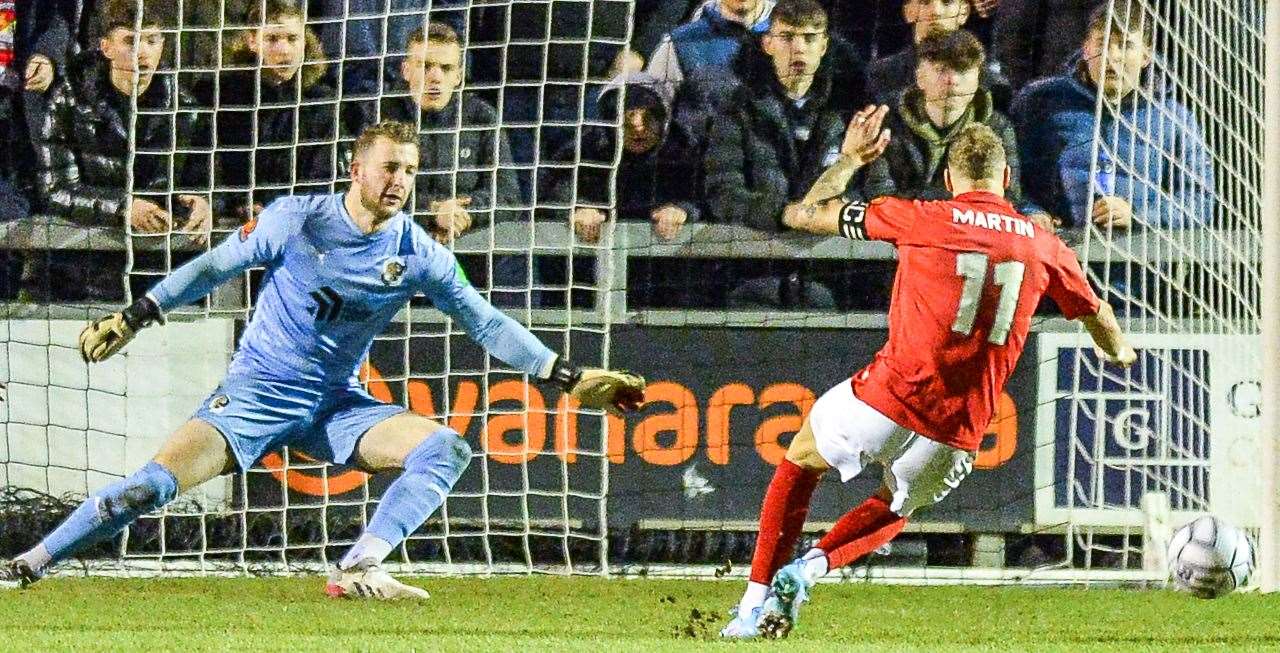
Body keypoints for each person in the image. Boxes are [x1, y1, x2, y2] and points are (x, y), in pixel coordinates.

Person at [0, 120, 645, 597]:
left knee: (445, 448)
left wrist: (564, 376)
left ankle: (360, 563)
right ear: (354, 168)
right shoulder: (298, 220)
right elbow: (216, 264)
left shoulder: (418, 252)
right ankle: (28, 564)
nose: (399, 182)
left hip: (337, 404)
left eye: (411, 171)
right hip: (254, 397)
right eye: (388, 167)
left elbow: (486, 322)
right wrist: (139, 313)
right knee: (149, 487)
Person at [719, 120, 1136, 639]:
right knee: (897, 505)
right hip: (958, 430)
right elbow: (1097, 312)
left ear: (947, 177)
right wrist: (1121, 353)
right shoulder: (1045, 244)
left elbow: (809, 212)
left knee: (801, 461)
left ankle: (752, 604)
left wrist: (849, 160)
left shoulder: (919, 217)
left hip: (887, 398)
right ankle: (810, 569)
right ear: (1006, 178)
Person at [1012, 2, 1212, 234]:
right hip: (1058, 255)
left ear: (1146, 55)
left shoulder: (1176, 119)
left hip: (1138, 262)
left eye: (1125, 45)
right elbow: (1010, 177)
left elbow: (1199, 200)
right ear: (1086, 49)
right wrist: (1030, 211)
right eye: (1102, 43)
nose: (1111, 56)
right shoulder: (1040, 102)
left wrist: (1138, 216)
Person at [862, 29, 1050, 228]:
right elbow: (879, 194)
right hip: (895, 237)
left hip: (969, 236)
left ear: (978, 77)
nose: (953, 80)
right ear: (919, 76)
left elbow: (1007, 195)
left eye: (962, 70)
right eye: (941, 70)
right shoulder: (887, 123)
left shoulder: (998, 128)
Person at [382, 23, 520, 241]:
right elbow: (364, 188)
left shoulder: (481, 117)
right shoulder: (380, 115)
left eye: (446, 68)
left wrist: (461, 215)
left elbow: (509, 197)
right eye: (425, 66)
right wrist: (432, 211)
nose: (435, 77)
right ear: (405, 70)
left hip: (469, 244)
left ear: (458, 76)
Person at [205, 0, 337, 222]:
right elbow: (208, 166)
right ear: (252, 41)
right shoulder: (221, 95)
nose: (284, 50)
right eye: (273, 39)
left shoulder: (321, 102)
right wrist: (236, 203)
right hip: (229, 220)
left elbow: (322, 175)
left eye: (292, 39)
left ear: (305, 41)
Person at [865, 0, 1010, 110]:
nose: (936, 11)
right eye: (925, 2)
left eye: (947, 2)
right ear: (908, 11)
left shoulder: (993, 86)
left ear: (964, 12)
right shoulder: (879, 76)